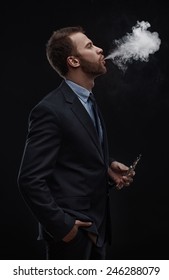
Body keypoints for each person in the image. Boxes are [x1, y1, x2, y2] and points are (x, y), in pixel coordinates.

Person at [17, 26, 135, 260]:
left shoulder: (89, 102)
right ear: (73, 61)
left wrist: (107, 168)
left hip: (97, 230)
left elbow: (75, 154)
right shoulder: (50, 110)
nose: (100, 49)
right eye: (90, 46)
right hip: (73, 237)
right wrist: (64, 228)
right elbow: (29, 179)